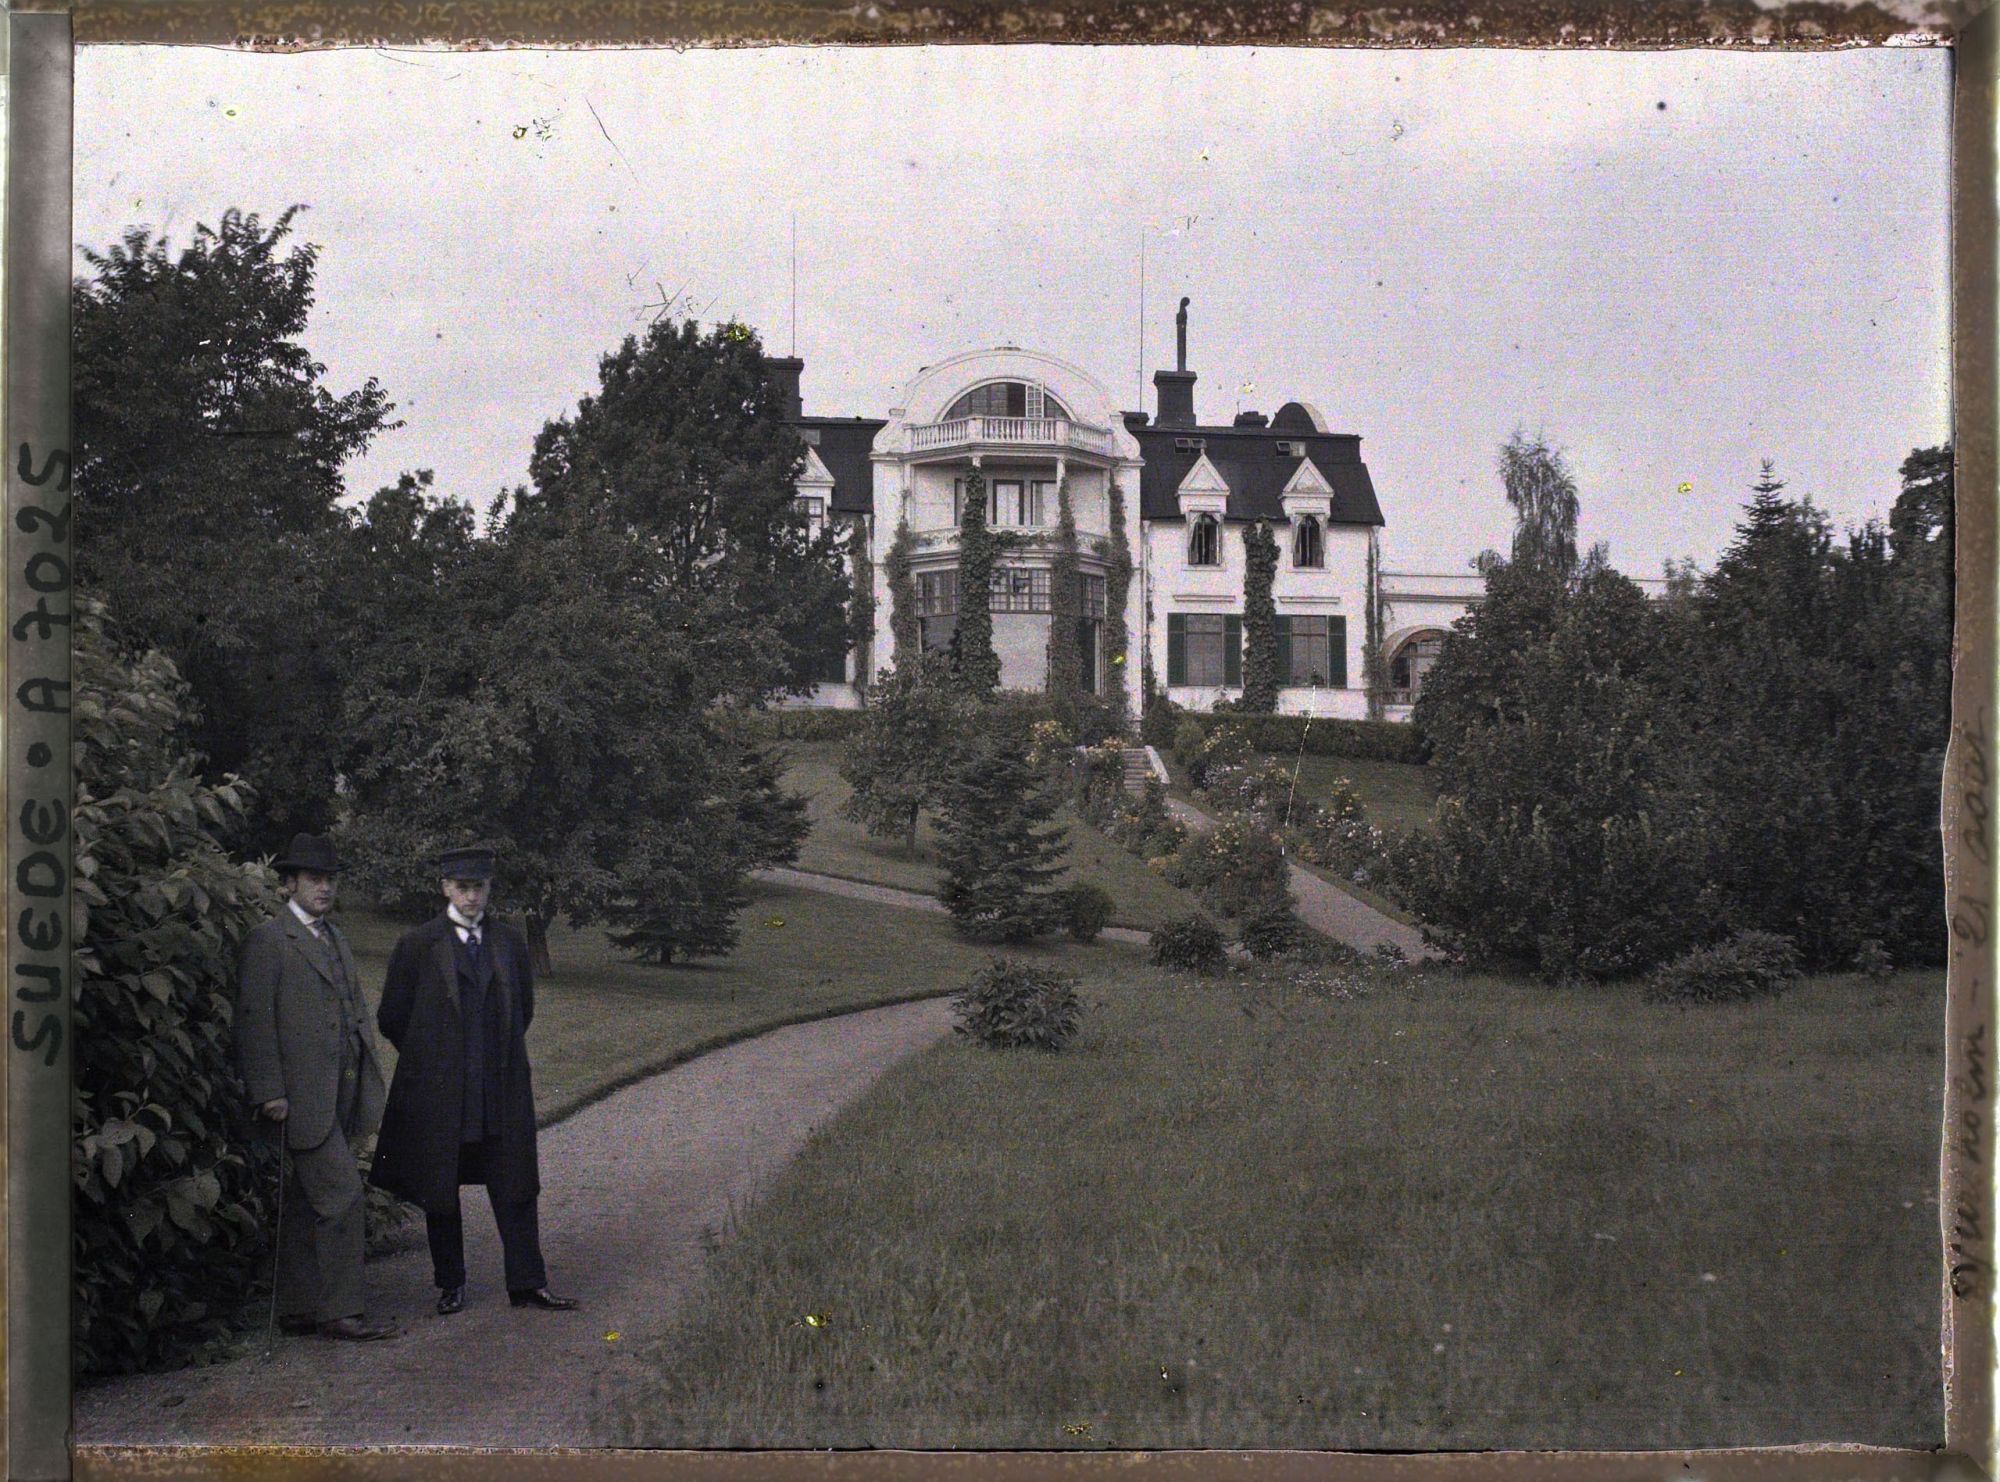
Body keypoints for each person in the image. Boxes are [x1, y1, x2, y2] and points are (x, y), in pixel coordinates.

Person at [370, 845, 578, 1316]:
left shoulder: (508, 943)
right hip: (442, 1095)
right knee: (440, 1186)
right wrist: (435, 1060)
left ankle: (528, 1282)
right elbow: (392, 1018)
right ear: (445, 888)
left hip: (499, 1090)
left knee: (517, 1183)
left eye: (478, 887)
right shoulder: (417, 945)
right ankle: (451, 1283)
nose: (470, 897)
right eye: (462, 887)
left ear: (489, 888)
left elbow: (521, 1011)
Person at [234, 833, 397, 1342]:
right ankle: (340, 1311)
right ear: (289, 884)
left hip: (338, 1095)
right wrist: (269, 1091)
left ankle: (301, 1308)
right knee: (343, 1197)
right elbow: (254, 1021)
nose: (324, 888)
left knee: (307, 1202)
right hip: (299, 1098)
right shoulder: (270, 940)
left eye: (330, 880)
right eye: (313, 879)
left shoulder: (335, 937)